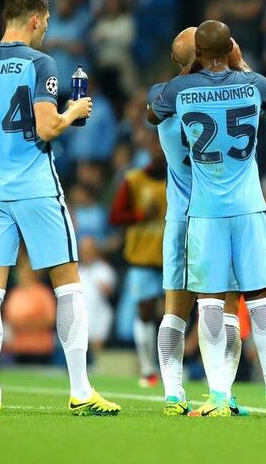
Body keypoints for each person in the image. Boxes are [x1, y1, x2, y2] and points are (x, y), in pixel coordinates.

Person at [0, 0, 120, 417]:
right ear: (35, 20)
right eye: (45, 24)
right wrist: (73, 113)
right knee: (68, 284)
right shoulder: (41, 61)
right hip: (37, 187)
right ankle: (81, 389)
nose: (45, 32)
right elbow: (46, 128)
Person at [154, 20, 266, 418]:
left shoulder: (173, 93)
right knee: (255, 303)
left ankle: (217, 395)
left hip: (203, 212)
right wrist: (243, 65)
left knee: (210, 305)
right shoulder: (254, 85)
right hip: (239, 208)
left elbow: (152, 110)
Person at [147, 27, 250, 416]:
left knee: (177, 308)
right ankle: (221, 392)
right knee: (227, 309)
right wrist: (239, 67)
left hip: (182, 216)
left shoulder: (161, 95)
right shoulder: (234, 91)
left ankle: (175, 392)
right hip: (221, 215)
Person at [108, 132, 166, 388]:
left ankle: (173, 367)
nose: (158, 150)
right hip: (142, 257)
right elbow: (115, 216)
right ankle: (148, 368)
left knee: (176, 315)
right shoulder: (133, 180)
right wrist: (141, 214)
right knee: (145, 313)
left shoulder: (182, 178)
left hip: (174, 256)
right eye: (154, 144)